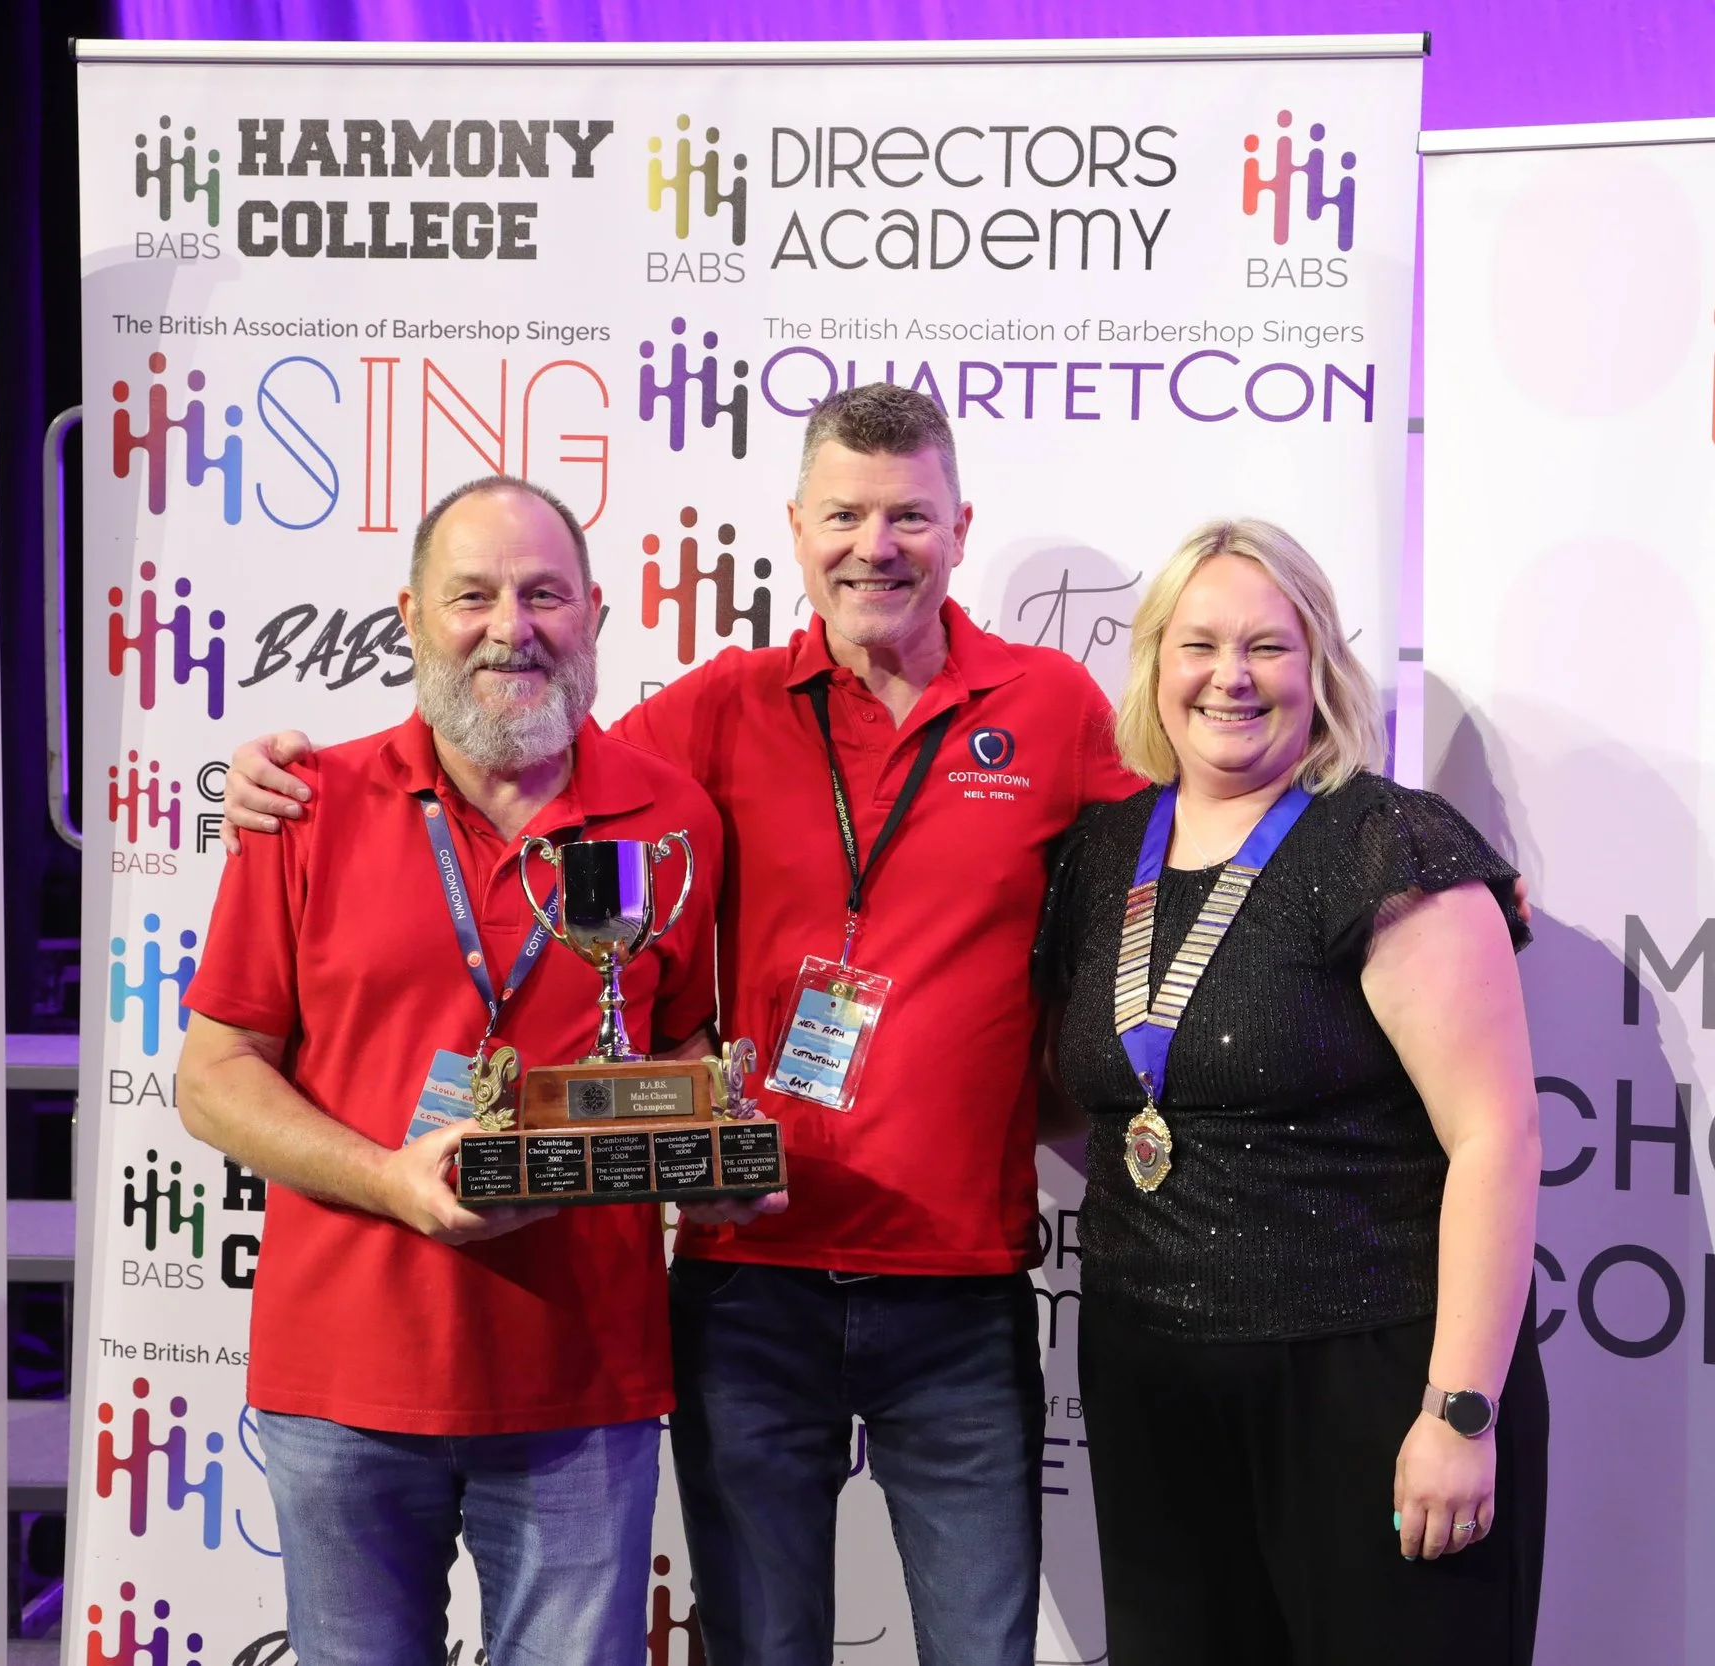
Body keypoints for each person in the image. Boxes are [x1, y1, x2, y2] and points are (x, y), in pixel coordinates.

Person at [218, 383, 1146, 1666]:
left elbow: (1197, 839)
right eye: (844, 514)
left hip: (961, 1286)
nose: (874, 544)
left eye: (908, 516)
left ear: (959, 524)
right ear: (796, 528)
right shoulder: (716, 711)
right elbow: (516, 742)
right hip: (747, 1285)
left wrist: (1404, 862)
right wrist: (266, 779)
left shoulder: (1050, 709)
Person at [175, 476, 725, 1666]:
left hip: (583, 1379)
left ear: (595, 614)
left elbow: (683, 1045)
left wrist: (705, 1139)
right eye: (470, 595)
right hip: (344, 1376)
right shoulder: (306, 802)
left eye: (543, 594)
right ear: (412, 616)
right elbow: (213, 1073)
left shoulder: (674, 816)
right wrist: (388, 1178)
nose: (508, 625)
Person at [1033, 519, 1548, 1665]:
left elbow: (1496, 1139)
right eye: (1198, 642)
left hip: (1365, 1378)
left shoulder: (1384, 842)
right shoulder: (1102, 852)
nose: (1230, 677)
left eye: (1268, 647)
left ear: (1319, 667)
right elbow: (1095, 1100)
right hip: (1150, 1377)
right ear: (1154, 662)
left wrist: (1458, 1409)